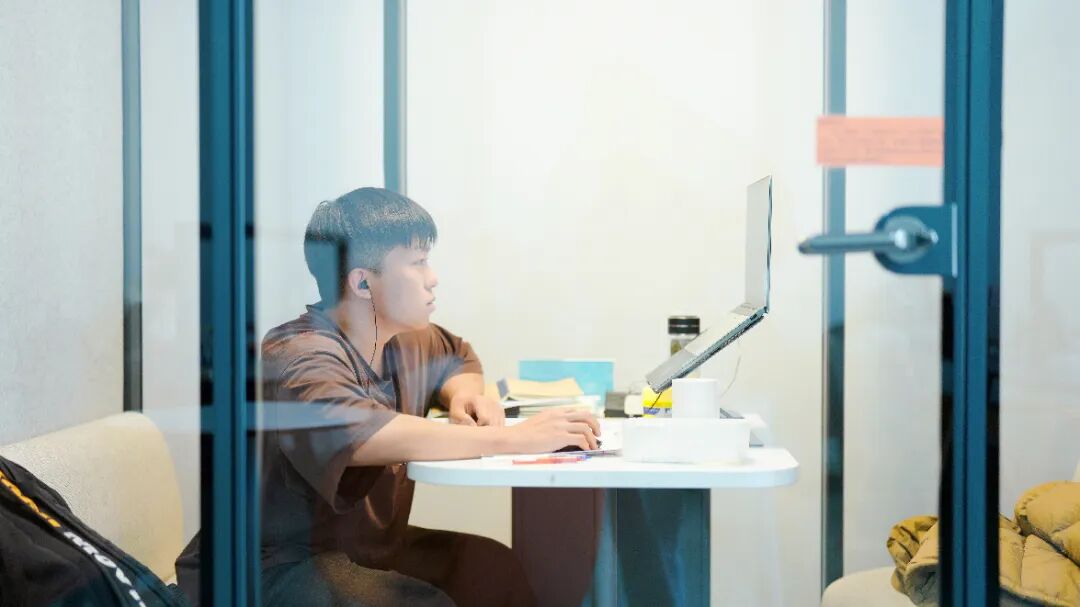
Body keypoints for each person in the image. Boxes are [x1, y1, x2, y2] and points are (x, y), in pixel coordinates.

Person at [175, 187, 601, 606]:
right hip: (270, 565)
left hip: (364, 551)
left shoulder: (404, 339)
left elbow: (458, 357)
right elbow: (363, 434)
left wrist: (463, 396)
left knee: (491, 570)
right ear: (363, 282)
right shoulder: (298, 354)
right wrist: (514, 438)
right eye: (418, 262)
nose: (433, 278)